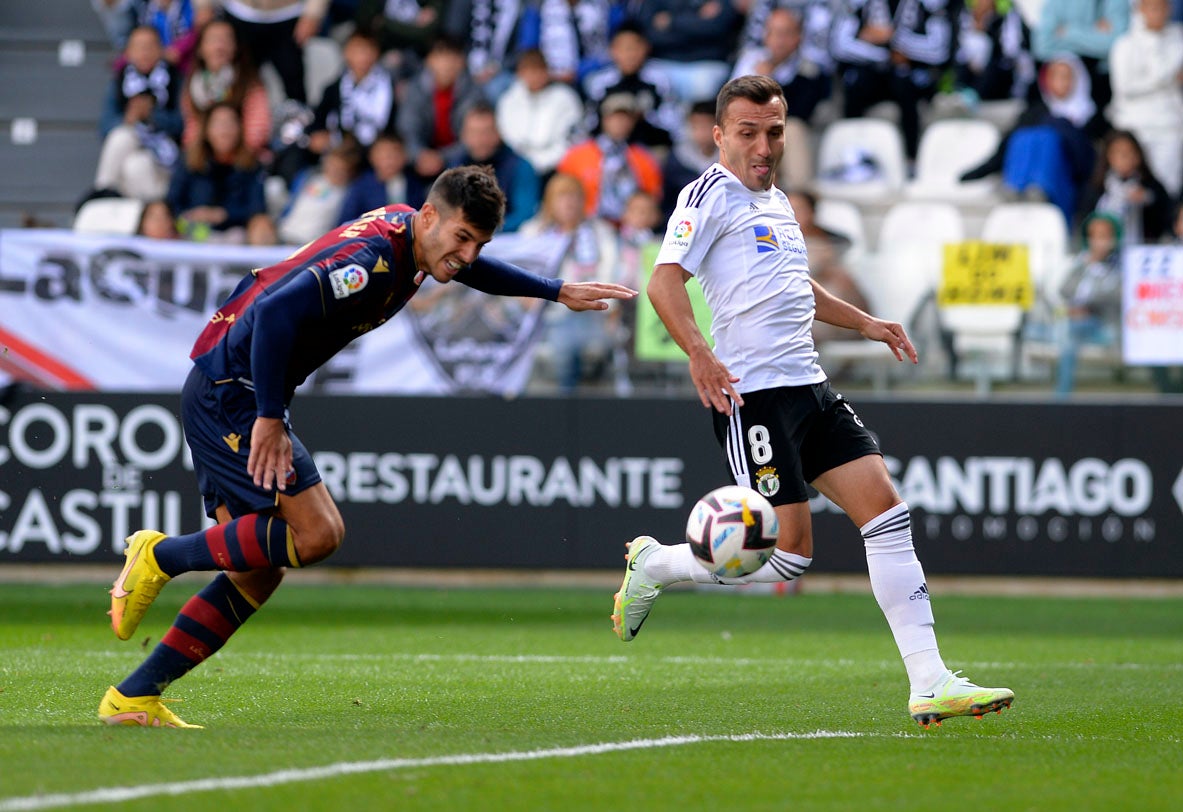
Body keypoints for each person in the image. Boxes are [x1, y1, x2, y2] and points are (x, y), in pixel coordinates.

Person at [98, 164, 637, 728]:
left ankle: (134, 697)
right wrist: (269, 416)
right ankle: (159, 556)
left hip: (231, 384)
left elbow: (467, 270)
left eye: (479, 243)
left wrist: (554, 289)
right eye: (462, 238)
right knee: (319, 533)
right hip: (234, 392)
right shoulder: (371, 264)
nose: (469, 255)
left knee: (257, 568)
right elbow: (276, 311)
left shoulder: (414, 235)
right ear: (431, 217)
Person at [611, 75, 1014, 728]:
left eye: (773, 131)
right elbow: (663, 283)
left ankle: (929, 680)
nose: (763, 145)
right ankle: (655, 563)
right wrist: (698, 352)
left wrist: (868, 324)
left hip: (809, 386)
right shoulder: (707, 195)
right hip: (754, 396)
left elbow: (796, 288)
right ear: (718, 135)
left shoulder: (775, 202)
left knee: (885, 513)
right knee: (788, 554)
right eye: (747, 132)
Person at [960, 54, 1103, 226]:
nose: (1060, 82)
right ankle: (1015, 190)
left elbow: (1087, 162)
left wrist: (1061, 127)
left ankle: (1039, 189)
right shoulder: (1034, 112)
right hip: (1023, 188)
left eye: (1066, 76)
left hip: (1067, 184)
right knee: (1024, 137)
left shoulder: (1092, 116)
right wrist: (970, 175)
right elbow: (1003, 151)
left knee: (1046, 138)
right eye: (1054, 76)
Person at [520, 173, 622, 393]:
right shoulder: (532, 233)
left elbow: (611, 273)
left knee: (575, 334)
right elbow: (521, 278)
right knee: (564, 336)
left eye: (574, 197)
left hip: (593, 312)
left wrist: (608, 308)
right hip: (547, 317)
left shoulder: (600, 232)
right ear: (549, 202)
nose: (569, 203)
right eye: (562, 197)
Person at [830, 0, 959, 161]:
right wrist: (886, 55)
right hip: (872, 72)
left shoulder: (930, 4)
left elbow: (940, 51)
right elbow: (840, 46)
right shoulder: (858, 3)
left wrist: (893, 37)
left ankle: (912, 157)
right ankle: (852, 155)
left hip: (911, 76)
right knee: (857, 83)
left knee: (904, 83)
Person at [94, 25, 185, 201]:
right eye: (139, 47)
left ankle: (103, 202)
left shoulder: (175, 78)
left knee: (138, 166)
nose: (145, 52)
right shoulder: (119, 81)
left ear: (161, 50)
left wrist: (153, 115)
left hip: (166, 157)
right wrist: (130, 118)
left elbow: (183, 125)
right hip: (132, 150)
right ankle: (103, 193)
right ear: (128, 53)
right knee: (124, 141)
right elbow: (105, 127)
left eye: (150, 46)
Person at [1107, 0, 1183, 199]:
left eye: (1161, 7)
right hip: (1134, 125)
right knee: (1130, 186)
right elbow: (1124, 87)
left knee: (1167, 188)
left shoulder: (1178, 39)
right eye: (1151, 7)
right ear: (1140, 9)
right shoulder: (1125, 44)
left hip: (1170, 125)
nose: (1157, 12)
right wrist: (1167, 78)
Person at [168, 101, 272, 243]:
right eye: (218, 123)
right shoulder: (189, 161)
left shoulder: (251, 164)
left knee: (258, 226)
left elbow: (256, 208)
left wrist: (224, 214)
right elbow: (172, 201)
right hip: (192, 231)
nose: (225, 130)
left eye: (230, 123)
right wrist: (194, 214)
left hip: (235, 233)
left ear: (240, 128)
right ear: (206, 130)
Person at [556, 92, 663, 224]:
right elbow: (560, 192)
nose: (620, 122)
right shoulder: (577, 154)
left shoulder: (644, 158)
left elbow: (652, 200)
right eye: (615, 117)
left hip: (631, 227)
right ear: (604, 119)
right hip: (586, 223)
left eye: (626, 118)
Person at [1054, 211, 1124, 396]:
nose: (1098, 242)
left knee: (1068, 333)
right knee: (1061, 329)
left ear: (1113, 238)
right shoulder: (1081, 264)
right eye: (1094, 236)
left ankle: (1062, 398)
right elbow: (1064, 289)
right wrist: (1085, 265)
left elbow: (1115, 297)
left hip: (1106, 327)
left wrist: (1087, 308)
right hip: (1075, 323)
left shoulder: (1120, 267)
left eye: (1103, 236)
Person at [443, 102, 539, 232]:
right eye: (474, 133)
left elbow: (524, 215)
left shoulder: (520, 167)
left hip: (508, 239)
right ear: (464, 136)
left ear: (498, 133)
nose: (480, 139)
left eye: (486, 132)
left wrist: (480, 230)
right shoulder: (455, 166)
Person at [496, 48, 586, 177]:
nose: (534, 77)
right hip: (518, 167)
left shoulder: (565, 98)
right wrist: (527, 164)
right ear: (520, 73)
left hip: (556, 167)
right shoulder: (509, 100)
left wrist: (544, 163)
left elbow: (570, 139)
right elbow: (508, 138)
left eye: (538, 71)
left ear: (547, 72)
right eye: (529, 71)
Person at [1078, 129, 1172, 245]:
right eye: (1119, 153)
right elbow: (1085, 222)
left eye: (1130, 152)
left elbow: (1167, 219)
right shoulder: (1097, 187)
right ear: (1108, 156)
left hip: (1142, 252)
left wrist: (1148, 199)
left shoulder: (1151, 186)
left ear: (1138, 156)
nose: (1125, 157)